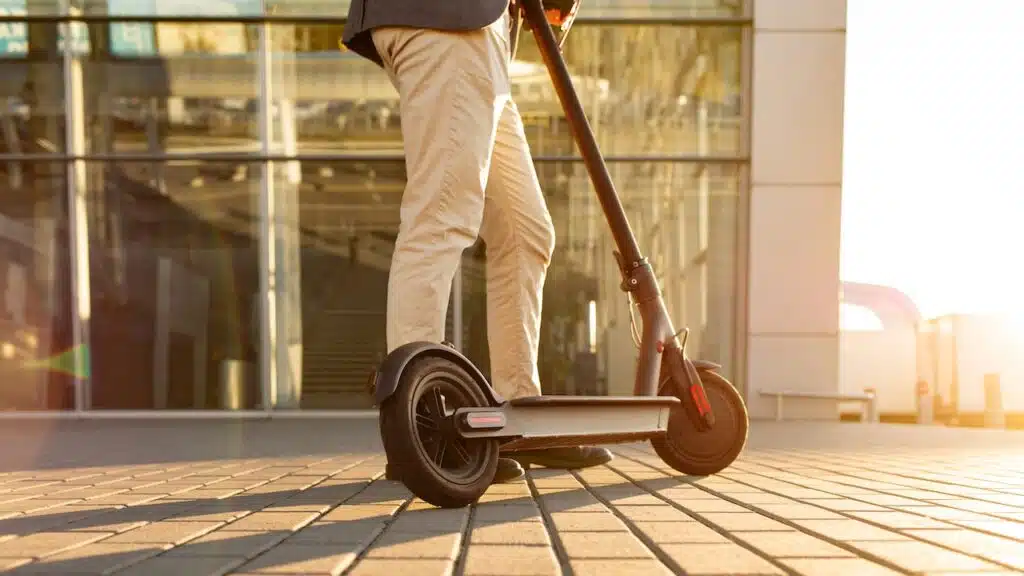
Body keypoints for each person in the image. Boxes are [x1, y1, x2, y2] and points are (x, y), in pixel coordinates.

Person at [342, 0, 613, 483]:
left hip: (476, 31)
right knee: (441, 216)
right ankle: (417, 428)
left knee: (525, 230)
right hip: (447, 22)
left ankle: (519, 417)